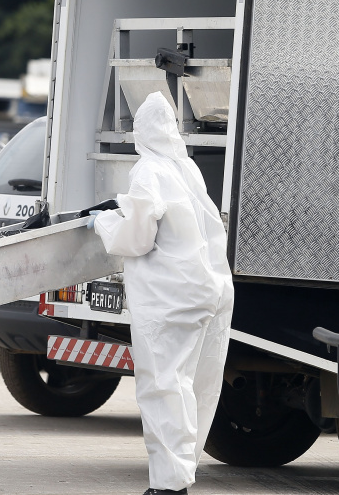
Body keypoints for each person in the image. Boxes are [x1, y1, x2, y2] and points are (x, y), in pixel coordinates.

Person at [88, 92, 234, 495]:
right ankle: (183, 472)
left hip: (169, 298)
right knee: (196, 387)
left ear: (140, 132)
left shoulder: (148, 170)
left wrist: (103, 223)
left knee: (163, 387)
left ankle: (170, 486)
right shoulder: (187, 169)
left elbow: (136, 238)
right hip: (211, 290)